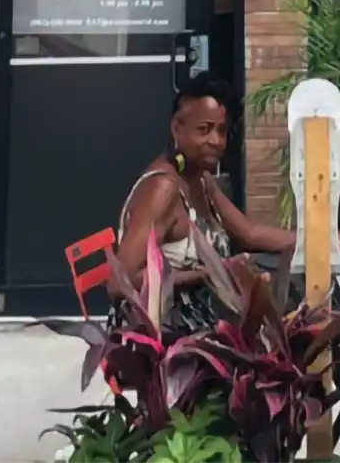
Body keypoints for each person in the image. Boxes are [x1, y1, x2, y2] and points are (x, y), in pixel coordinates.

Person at [113, 73, 297, 337]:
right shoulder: (163, 190)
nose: (216, 141)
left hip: (205, 319)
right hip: (166, 339)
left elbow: (249, 234)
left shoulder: (200, 179)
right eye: (204, 129)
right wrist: (203, 274)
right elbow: (120, 284)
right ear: (177, 128)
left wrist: (325, 241)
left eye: (221, 130)